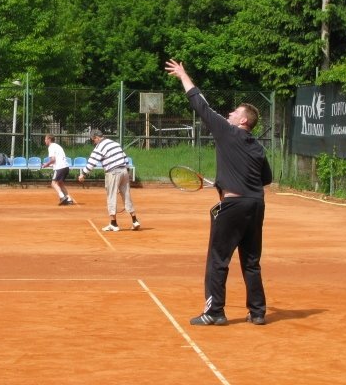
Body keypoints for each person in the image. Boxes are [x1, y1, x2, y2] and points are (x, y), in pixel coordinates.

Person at [165, 58, 272, 326]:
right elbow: (266, 179)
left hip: (233, 207)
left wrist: (183, 75)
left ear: (243, 120)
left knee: (218, 260)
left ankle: (214, 312)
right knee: (251, 261)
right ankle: (257, 312)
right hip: (256, 205)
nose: (229, 114)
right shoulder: (258, 147)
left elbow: (200, 104)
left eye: (234, 112)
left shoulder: (227, 132)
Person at [78, 130, 140, 231]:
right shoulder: (115, 144)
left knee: (111, 197)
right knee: (127, 196)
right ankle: (135, 220)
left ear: (97, 138)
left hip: (113, 173)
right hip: (124, 171)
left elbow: (92, 162)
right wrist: (126, 172)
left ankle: (113, 224)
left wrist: (83, 174)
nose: (94, 142)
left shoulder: (100, 147)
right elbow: (125, 158)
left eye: (93, 140)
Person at [41, 134, 74, 206]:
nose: (45, 140)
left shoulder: (51, 147)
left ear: (49, 139)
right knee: (60, 183)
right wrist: (48, 164)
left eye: (45, 139)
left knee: (53, 183)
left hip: (60, 168)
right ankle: (69, 199)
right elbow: (57, 160)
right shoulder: (57, 146)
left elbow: (53, 159)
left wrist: (46, 165)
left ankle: (62, 197)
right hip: (66, 167)